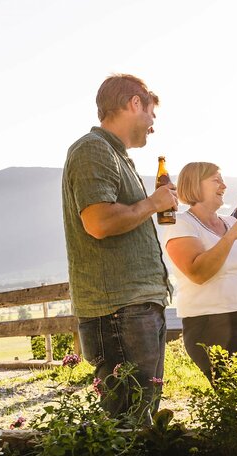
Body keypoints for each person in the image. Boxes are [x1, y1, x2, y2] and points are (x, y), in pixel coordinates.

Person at [61, 74, 177, 421]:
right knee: (127, 418)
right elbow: (99, 223)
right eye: (151, 113)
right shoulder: (92, 150)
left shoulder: (117, 156)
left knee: (140, 415)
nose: (153, 124)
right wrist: (153, 204)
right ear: (134, 103)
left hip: (134, 306)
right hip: (118, 309)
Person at [164, 162, 237, 383]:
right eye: (216, 180)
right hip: (210, 321)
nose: (224, 185)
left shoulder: (231, 222)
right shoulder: (181, 223)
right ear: (195, 184)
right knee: (236, 395)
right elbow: (198, 273)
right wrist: (230, 237)